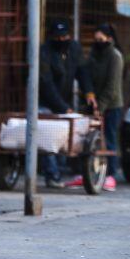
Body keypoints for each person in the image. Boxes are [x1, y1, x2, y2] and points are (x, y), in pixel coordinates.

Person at [39, 19, 96, 188]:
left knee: (64, 138)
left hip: (65, 101)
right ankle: (52, 174)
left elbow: (82, 72)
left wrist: (89, 93)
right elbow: (46, 83)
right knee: (47, 136)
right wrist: (63, 107)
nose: (62, 40)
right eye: (58, 37)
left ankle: (59, 169)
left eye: (65, 36)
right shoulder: (45, 51)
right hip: (46, 101)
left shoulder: (74, 49)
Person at [66, 23, 124, 192]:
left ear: (109, 39)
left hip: (111, 106)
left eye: (101, 39)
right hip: (93, 104)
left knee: (109, 139)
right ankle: (85, 173)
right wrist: (90, 98)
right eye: (96, 39)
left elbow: (112, 87)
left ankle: (110, 175)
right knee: (85, 139)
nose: (98, 42)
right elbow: (87, 77)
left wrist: (102, 106)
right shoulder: (92, 55)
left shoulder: (115, 56)